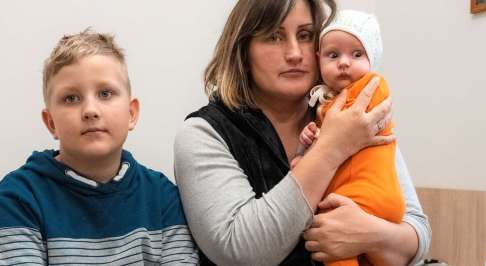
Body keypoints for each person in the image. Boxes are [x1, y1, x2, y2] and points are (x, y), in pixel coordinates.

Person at [174, 0, 431, 265]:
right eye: (274, 36)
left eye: (306, 36)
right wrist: (331, 148)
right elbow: (239, 251)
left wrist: (370, 235)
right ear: (243, 51)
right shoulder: (202, 133)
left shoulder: (354, 112)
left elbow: (417, 234)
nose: (295, 53)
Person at [0, 29, 199, 265]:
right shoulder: (16, 199)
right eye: (71, 98)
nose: (90, 110)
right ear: (51, 122)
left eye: (105, 93)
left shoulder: (162, 197)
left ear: (131, 113)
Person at [295, 10, 404, 266]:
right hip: (367, 196)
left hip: (365, 193)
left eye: (357, 54)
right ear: (319, 59)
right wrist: (306, 145)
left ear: (371, 59)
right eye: (334, 55)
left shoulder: (374, 85)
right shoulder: (326, 100)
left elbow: (346, 128)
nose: (344, 62)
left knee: (331, 237)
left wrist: (325, 136)